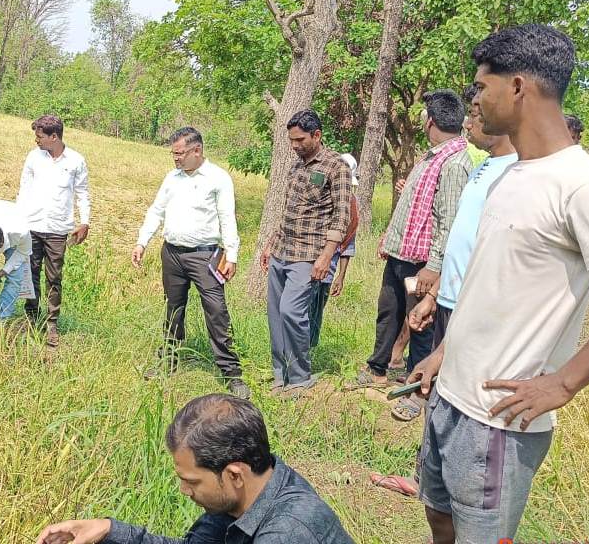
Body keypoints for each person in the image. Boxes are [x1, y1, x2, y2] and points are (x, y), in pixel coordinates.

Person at [410, 24, 589, 544]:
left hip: (498, 422)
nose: (474, 100)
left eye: (482, 86)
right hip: (450, 396)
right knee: (439, 518)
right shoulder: (510, 174)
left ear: (518, 87)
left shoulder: (583, 187)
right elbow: (491, 285)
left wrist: (563, 384)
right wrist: (444, 354)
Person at [35, 394, 355, 544]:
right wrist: (107, 530)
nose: (184, 491)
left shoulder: (289, 532)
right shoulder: (242, 496)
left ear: (234, 474)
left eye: (192, 481)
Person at [395, 93, 517, 422]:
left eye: (476, 115)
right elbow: (461, 238)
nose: (467, 123)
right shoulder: (484, 167)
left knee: (463, 395)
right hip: (449, 296)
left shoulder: (513, 173)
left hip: (473, 303)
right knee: (442, 386)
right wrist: (434, 295)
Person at [348, 91, 471, 391]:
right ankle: (377, 368)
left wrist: (434, 267)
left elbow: (448, 221)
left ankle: (416, 384)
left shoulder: (454, 163)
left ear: (430, 121)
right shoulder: (432, 156)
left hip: (422, 263)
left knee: (420, 322)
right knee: (389, 311)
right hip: (401, 254)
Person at [132, 127, 248, 400]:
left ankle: (231, 373)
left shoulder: (218, 178)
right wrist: (141, 242)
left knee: (216, 310)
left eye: (180, 153)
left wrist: (231, 255)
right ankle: (168, 361)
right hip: (172, 253)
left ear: (197, 150)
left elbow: (227, 217)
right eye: (173, 154)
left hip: (205, 256)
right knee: (173, 308)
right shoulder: (172, 178)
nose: (176, 158)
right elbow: (156, 211)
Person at [261, 110, 352, 399]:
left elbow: (342, 217)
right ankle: (281, 374)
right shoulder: (296, 166)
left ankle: (300, 378)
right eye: (291, 140)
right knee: (276, 314)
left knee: (292, 311)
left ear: (317, 135)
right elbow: (290, 211)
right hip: (282, 250)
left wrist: (326, 257)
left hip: (309, 254)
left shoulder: (335, 167)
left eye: (300, 140)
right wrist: (271, 242)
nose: (295, 145)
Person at [17, 114, 91, 347]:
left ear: (54, 136)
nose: (36, 140)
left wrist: (85, 222)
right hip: (32, 226)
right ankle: (31, 316)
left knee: (54, 277)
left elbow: (82, 193)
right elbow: (24, 189)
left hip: (58, 229)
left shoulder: (76, 161)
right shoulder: (33, 157)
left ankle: (51, 323)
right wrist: (19, 221)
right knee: (30, 273)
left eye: (40, 136)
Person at [308, 153, 359, 349]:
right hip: (305, 264)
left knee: (315, 313)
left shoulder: (351, 205)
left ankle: (308, 351)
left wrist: (341, 277)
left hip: (326, 273)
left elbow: (348, 244)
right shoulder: (317, 197)